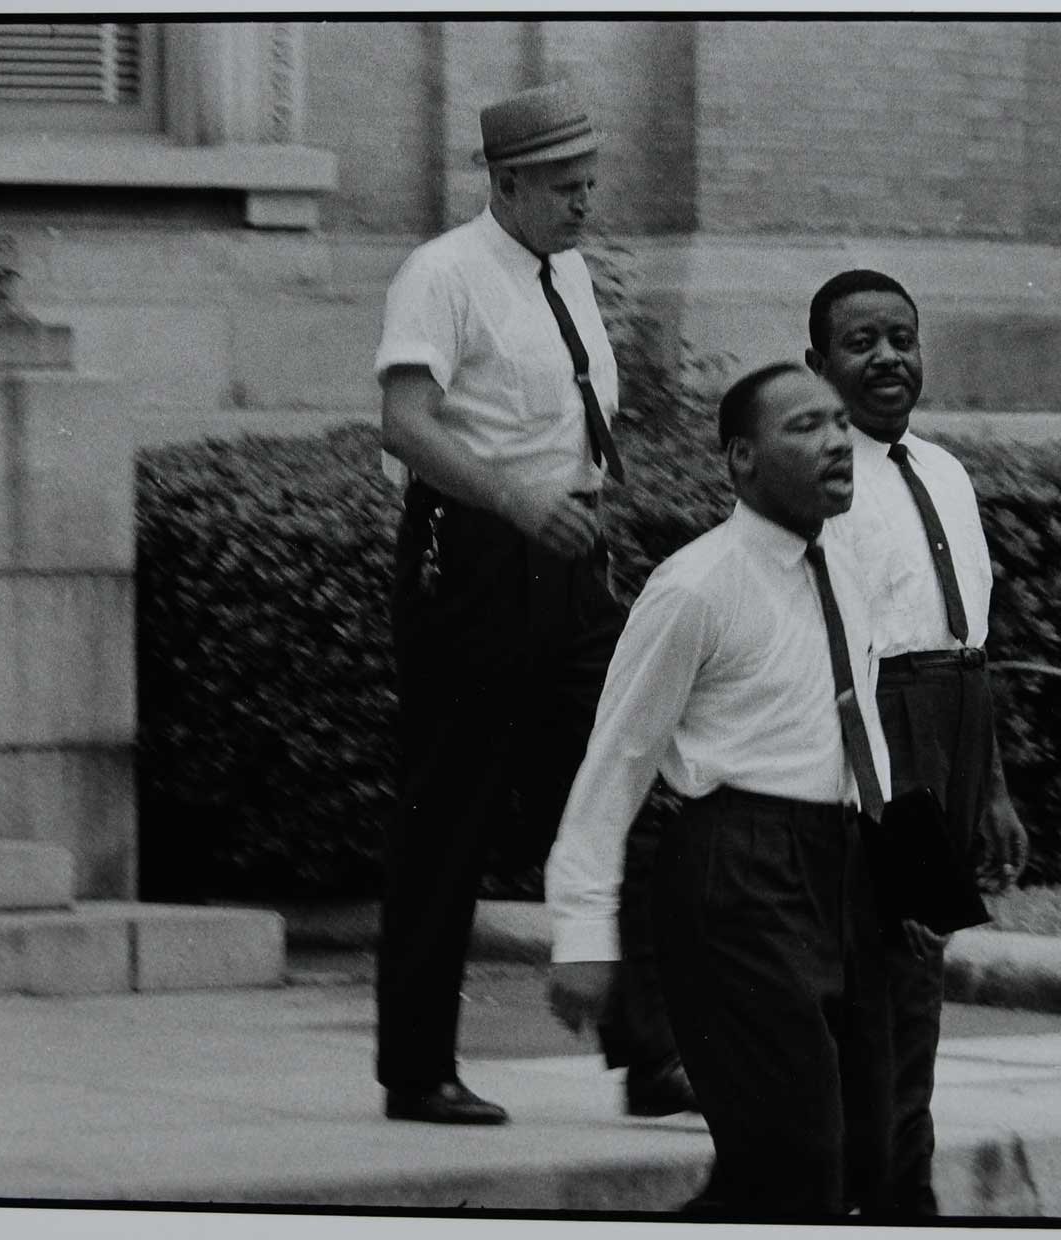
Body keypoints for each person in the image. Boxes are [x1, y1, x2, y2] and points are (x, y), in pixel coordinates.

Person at [372, 80, 687, 1126]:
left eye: (590, 182)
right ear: (505, 182)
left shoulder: (568, 273)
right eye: (562, 184)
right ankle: (417, 1069)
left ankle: (649, 1053)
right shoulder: (444, 273)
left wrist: (589, 505)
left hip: (570, 559)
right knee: (448, 814)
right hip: (474, 559)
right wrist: (517, 501)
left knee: (614, 791)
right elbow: (406, 424)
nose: (583, 201)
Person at [546, 363, 895, 1218]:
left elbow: (855, 733)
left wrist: (905, 872)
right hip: (739, 875)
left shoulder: (845, 569)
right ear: (741, 460)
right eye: (805, 427)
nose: (837, 441)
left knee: (858, 1156)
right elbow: (617, 758)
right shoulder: (696, 586)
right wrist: (583, 932)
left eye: (841, 423)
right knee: (796, 1158)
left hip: (844, 871)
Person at [807, 268, 1031, 1218]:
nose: (888, 357)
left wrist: (995, 788)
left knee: (920, 966)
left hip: (957, 725)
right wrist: (888, 808)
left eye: (902, 336)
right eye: (861, 343)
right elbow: (838, 651)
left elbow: (966, 638)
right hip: (881, 734)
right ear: (819, 364)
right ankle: (890, 1193)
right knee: (887, 972)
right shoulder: (823, 476)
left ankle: (901, 1181)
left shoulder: (945, 470)